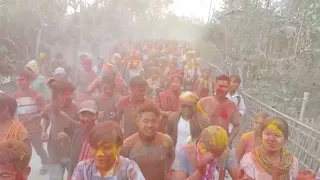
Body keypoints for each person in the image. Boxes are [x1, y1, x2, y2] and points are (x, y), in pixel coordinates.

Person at [71, 121, 145, 179]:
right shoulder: (83, 168)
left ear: (119, 148)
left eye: (106, 148)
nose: (99, 154)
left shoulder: (129, 168)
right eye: (95, 147)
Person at [121, 105, 175, 180]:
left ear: (158, 122)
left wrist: (170, 173)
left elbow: (173, 158)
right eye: (145, 121)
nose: (150, 125)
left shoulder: (166, 140)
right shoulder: (127, 146)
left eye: (154, 121)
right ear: (138, 122)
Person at [41, 78, 79, 180]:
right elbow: (45, 117)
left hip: (71, 155)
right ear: (58, 95)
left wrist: (69, 135)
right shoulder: (50, 107)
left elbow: (83, 129)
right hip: (54, 155)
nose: (70, 97)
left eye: (71, 93)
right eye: (66, 94)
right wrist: (44, 130)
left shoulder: (77, 109)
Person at [12, 70, 49, 174]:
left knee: (38, 148)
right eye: (17, 80)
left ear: (29, 81)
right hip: (22, 128)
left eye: (22, 79)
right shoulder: (15, 96)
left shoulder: (37, 95)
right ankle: (23, 167)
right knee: (24, 149)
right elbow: (11, 111)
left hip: (35, 128)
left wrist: (35, 116)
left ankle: (45, 163)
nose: (19, 82)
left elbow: (45, 111)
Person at [172, 125, 239, 180]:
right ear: (202, 143)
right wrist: (200, 171)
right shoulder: (184, 153)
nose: (214, 157)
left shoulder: (225, 152)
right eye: (212, 152)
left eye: (218, 154)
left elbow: (238, 177)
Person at [58, 100, 99, 180]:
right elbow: (73, 157)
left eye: (90, 115)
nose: (86, 118)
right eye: (83, 115)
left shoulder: (101, 133)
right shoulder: (77, 133)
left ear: (96, 115)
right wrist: (70, 174)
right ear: (79, 116)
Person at [197, 75, 240, 147]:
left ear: (229, 88)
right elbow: (195, 123)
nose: (223, 89)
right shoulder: (203, 102)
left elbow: (236, 125)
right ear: (215, 85)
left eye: (226, 87)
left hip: (222, 145)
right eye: (220, 86)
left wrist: (230, 139)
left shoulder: (232, 106)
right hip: (204, 144)